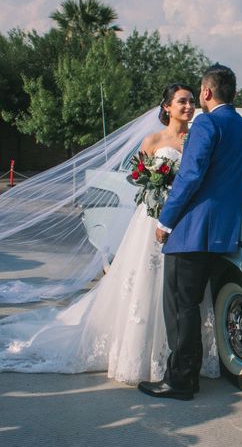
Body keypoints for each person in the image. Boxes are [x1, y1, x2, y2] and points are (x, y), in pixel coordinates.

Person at [0, 84, 220, 385]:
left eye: (192, 101)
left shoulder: (197, 139)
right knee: (146, 281)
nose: (189, 106)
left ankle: (181, 355)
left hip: (184, 221)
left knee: (182, 291)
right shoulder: (153, 139)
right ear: (167, 107)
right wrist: (155, 181)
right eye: (182, 101)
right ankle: (142, 355)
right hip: (152, 219)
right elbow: (136, 176)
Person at [138, 64, 242, 401]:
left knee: (180, 305)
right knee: (193, 303)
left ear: (206, 93)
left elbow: (190, 176)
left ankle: (180, 380)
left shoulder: (207, 122)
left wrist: (165, 222)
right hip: (224, 231)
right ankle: (188, 373)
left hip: (191, 229)